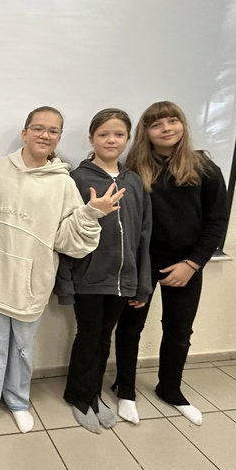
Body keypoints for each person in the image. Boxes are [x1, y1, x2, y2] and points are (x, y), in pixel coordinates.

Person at [0, 106, 122, 439]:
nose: (44, 135)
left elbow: (68, 241)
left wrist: (90, 214)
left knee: (22, 349)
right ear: (24, 132)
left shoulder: (63, 183)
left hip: (32, 284)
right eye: (37, 128)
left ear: (59, 138)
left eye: (53, 130)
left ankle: (18, 401)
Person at [112, 101, 228, 426]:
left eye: (172, 121)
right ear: (146, 132)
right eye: (156, 124)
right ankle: (125, 389)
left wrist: (192, 264)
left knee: (179, 330)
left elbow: (217, 222)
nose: (166, 128)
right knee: (130, 328)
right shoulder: (133, 170)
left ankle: (170, 389)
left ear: (182, 125)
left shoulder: (205, 169)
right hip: (142, 263)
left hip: (186, 263)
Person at [60, 108, 152, 433]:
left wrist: (142, 283)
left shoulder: (135, 182)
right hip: (88, 277)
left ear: (128, 139)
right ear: (91, 139)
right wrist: (65, 282)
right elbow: (65, 232)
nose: (111, 140)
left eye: (118, 134)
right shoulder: (78, 178)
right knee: (88, 337)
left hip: (123, 280)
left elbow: (144, 235)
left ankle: (94, 395)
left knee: (104, 339)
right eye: (103, 134)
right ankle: (79, 397)